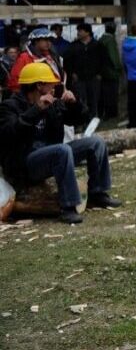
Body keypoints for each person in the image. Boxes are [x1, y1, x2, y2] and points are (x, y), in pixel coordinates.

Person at [0, 62, 121, 224]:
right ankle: (68, 206)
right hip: (24, 163)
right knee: (62, 150)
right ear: (39, 85)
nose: (53, 88)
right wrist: (36, 110)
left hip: (52, 154)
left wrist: (74, 103)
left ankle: (98, 193)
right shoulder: (9, 106)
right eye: (51, 84)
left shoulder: (53, 103)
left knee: (96, 143)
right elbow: (9, 133)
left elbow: (80, 119)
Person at [63, 23, 105, 122]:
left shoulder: (97, 45)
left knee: (94, 99)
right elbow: (67, 61)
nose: (78, 33)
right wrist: (72, 73)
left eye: (80, 31)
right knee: (81, 99)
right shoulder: (73, 46)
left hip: (94, 77)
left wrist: (100, 73)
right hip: (79, 78)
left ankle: (93, 119)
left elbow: (103, 60)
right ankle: (82, 120)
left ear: (87, 32)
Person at [8, 27, 65, 94]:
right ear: (36, 41)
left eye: (50, 40)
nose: (48, 43)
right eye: (45, 40)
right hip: (33, 98)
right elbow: (14, 82)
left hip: (54, 96)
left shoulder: (53, 57)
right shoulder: (24, 57)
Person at [97, 22, 121, 120]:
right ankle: (111, 113)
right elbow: (113, 56)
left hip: (103, 71)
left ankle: (103, 112)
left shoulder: (101, 39)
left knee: (103, 94)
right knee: (112, 93)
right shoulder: (110, 40)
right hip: (111, 72)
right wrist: (118, 67)